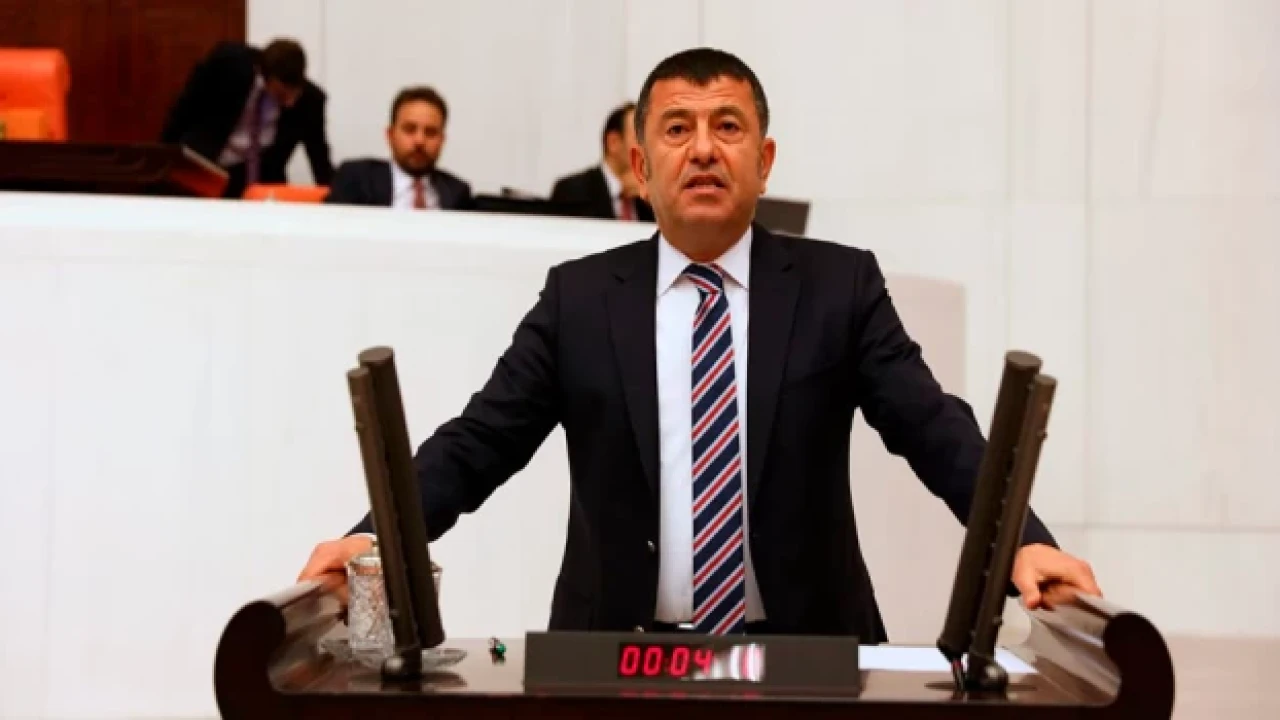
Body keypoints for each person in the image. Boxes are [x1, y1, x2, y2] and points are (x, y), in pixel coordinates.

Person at [299, 48, 1100, 639]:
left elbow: (935, 428)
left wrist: (1023, 543)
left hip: (808, 658)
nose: (705, 150)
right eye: (677, 130)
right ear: (640, 168)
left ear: (765, 162)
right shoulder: (580, 299)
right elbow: (480, 442)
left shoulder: (840, 287)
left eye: (729, 127)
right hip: (616, 659)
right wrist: (374, 537)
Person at [161, 39, 333, 198]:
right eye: (280, 96)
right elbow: (184, 110)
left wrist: (337, 201)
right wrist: (164, 160)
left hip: (257, 181)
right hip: (206, 165)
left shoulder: (311, 101)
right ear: (264, 76)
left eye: (294, 94)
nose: (290, 103)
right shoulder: (228, 63)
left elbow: (320, 160)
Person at [325, 86, 473, 210]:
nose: (420, 141)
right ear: (390, 135)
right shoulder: (357, 178)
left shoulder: (457, 192)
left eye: (430, 132)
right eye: (409, 129)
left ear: (442, 140)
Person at [550, 102, 654, 222]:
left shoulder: (650, 193)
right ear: (613, 142)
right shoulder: (572, 191)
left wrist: (652, 200)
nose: (647, 146)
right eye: (640, 137)